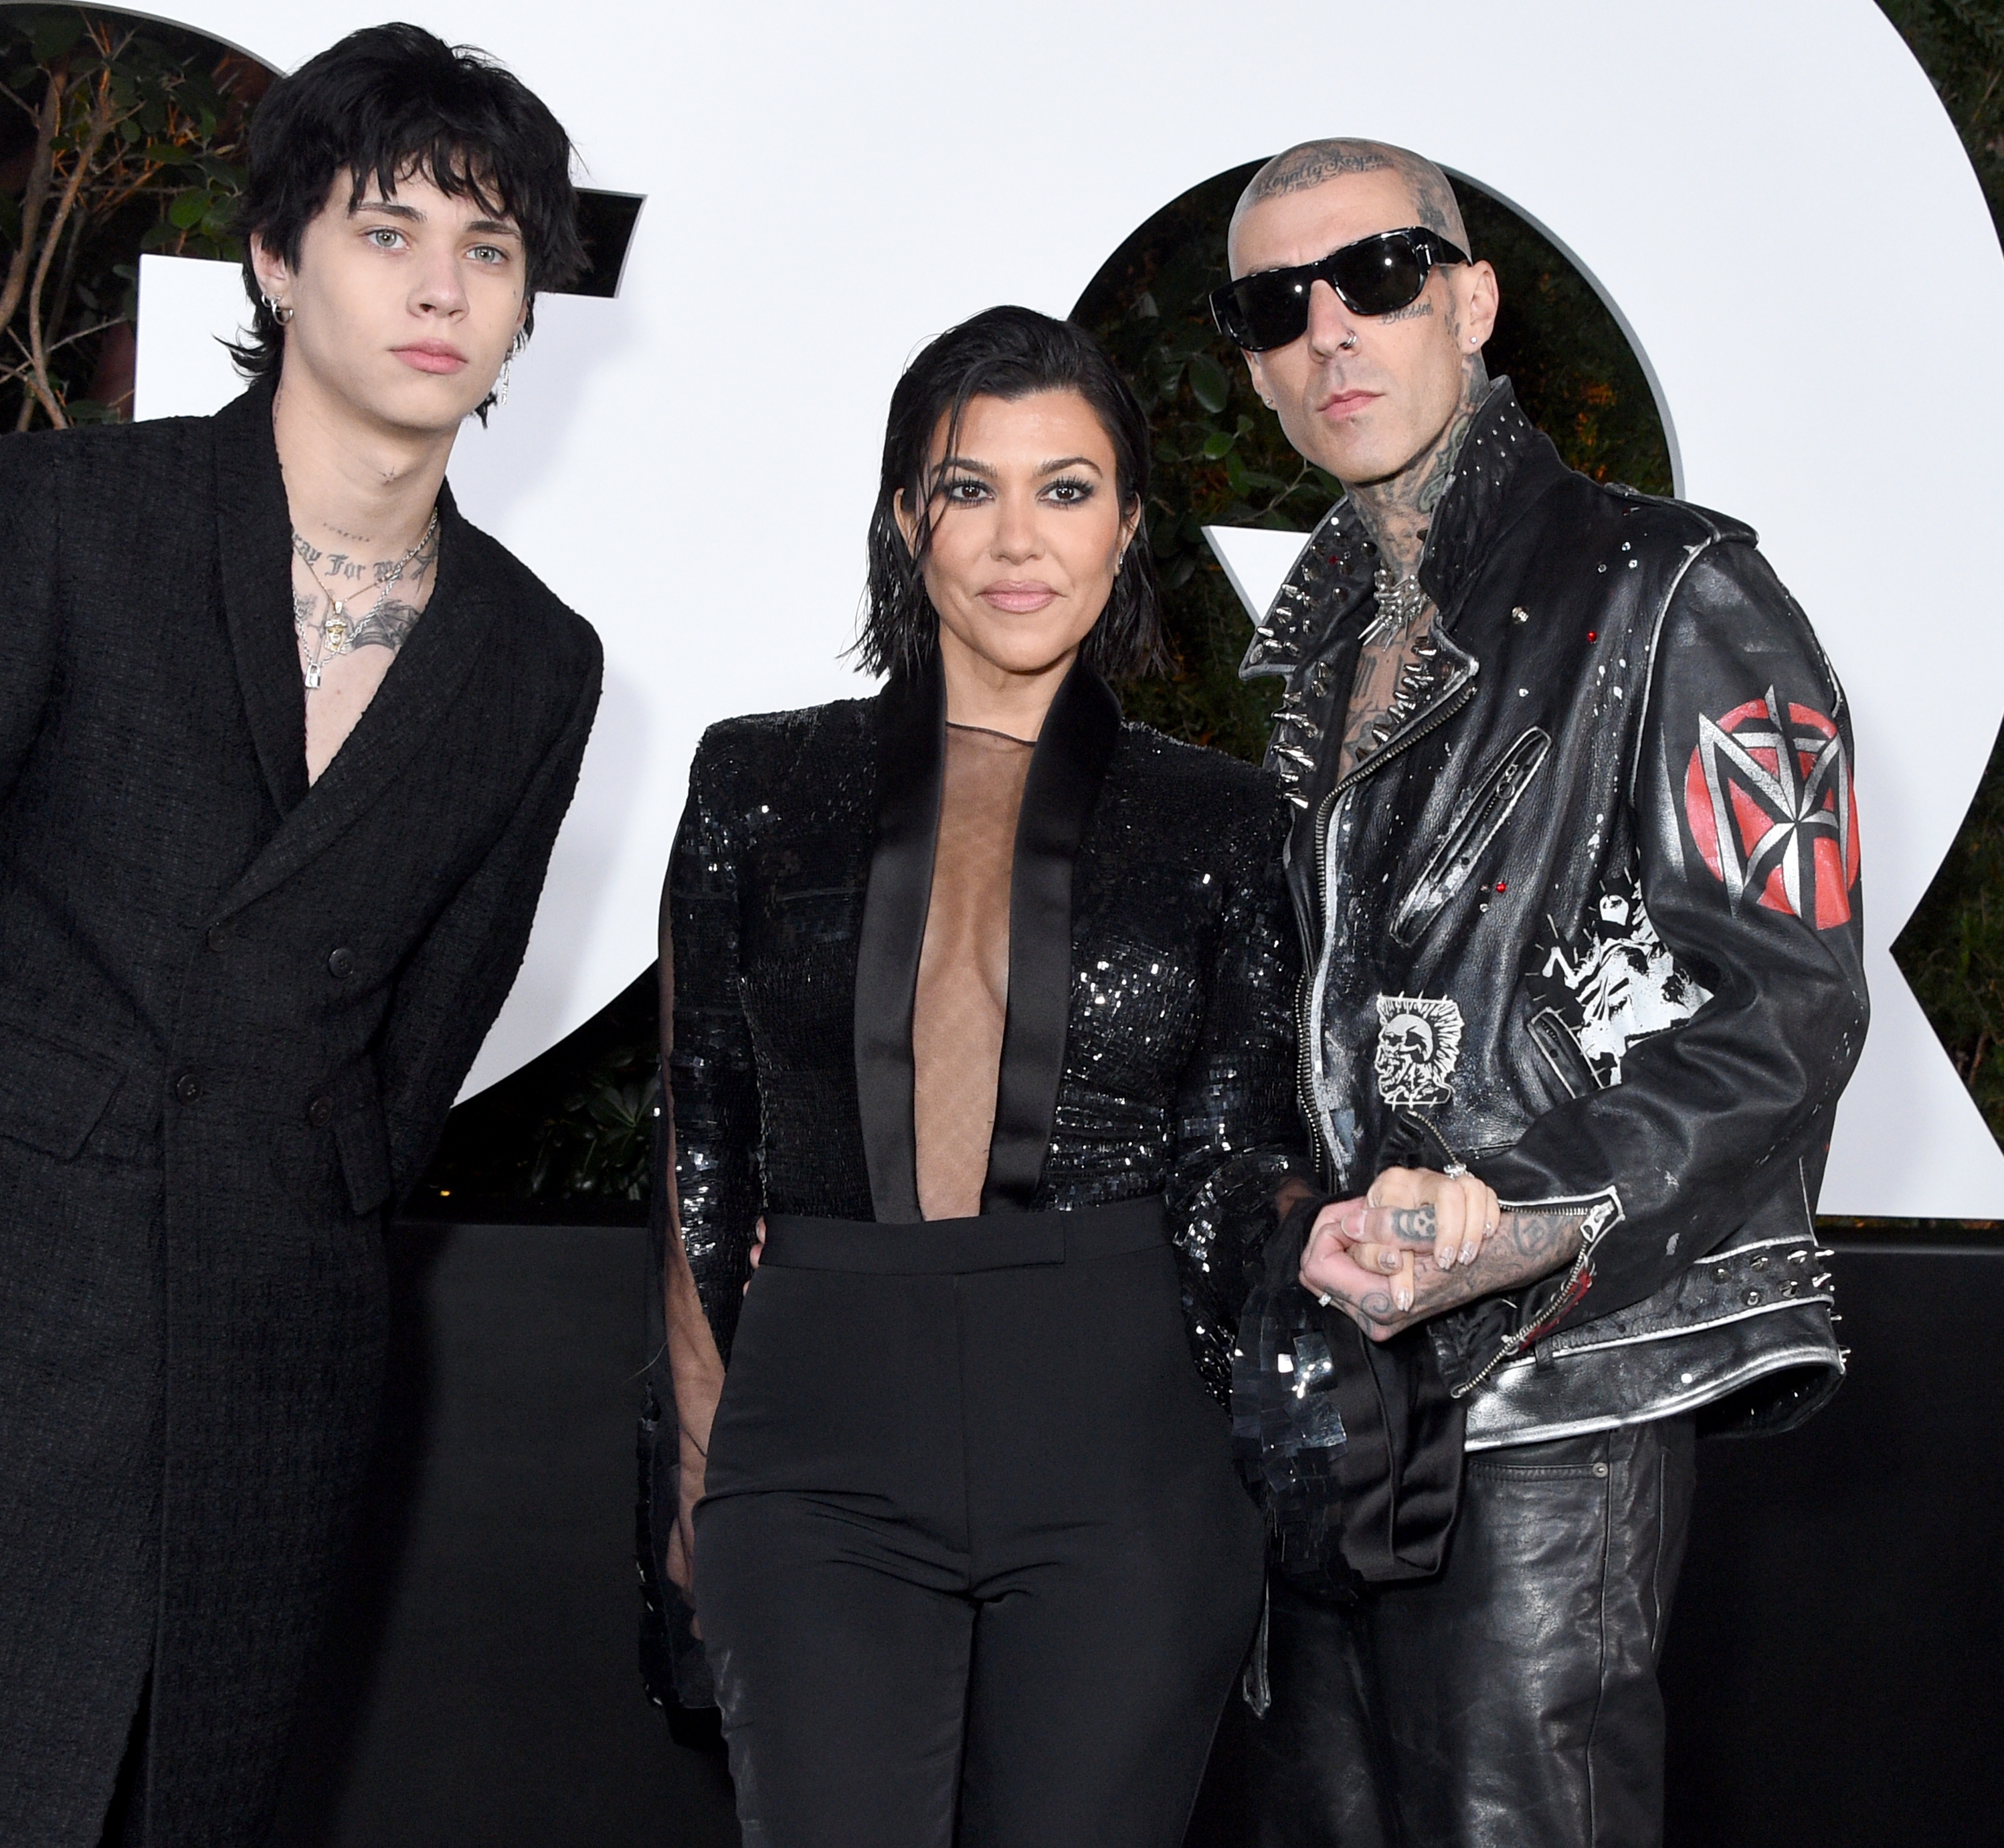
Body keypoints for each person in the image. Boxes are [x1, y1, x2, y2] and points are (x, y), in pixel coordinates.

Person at [0, 25, 600, 1848]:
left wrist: (294, 1236)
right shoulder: (82, 518)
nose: (441, 289)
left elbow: (416, 1054)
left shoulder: (536, 660)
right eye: (389, 231)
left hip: (260, 1376)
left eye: (489, 248)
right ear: (275, 257)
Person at [1215, 138, 1865, 1847]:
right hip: (1339, 1380)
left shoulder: (1674, 592)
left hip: (1560, 1384)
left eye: (1378, 278)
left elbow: (1787, 1005)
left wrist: (1515, 1209)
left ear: (1473, 301)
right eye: (1276, 308)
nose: (1330, 334)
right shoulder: (1319, 652)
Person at [637, 306, 1309, 1847]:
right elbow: (702, 1122)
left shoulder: (1225, 823)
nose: (1022, 540)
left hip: (1124, 1432)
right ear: (904, 514)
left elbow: (1232, 1164)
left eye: (1067, 490)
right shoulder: (758, 779)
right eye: (971, 487)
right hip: (816, 1427)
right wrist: (701, 1444)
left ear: (1130, 524)